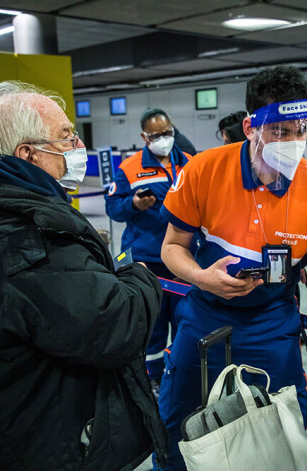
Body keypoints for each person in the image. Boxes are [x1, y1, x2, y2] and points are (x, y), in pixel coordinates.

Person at [0, 81, 168, 470]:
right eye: (65, 136)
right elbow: (117, 326)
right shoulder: (34, 237)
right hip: (40, 437)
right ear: (28, 154)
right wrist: (137, 275)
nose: (76, 146)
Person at [156, 65, 307, 471]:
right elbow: (173, 247)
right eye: (279, 132)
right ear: (250, 127)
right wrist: (201, 277)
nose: (293, 142)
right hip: (204, 315)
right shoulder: (204, 170)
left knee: (281, 427)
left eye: (301, 131)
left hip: (273, 320)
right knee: (178, 424)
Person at [105, 107, 191, 395]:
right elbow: (113, 209)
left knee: (184, 321)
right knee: (152, 325)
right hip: (147, 261)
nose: (164, 139)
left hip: (183, 260)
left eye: (167, 132)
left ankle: (180, 369)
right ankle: (152, 377)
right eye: (157, 135)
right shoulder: (130, 168)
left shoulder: (189, 163)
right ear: (144, 137)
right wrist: (133, 205)